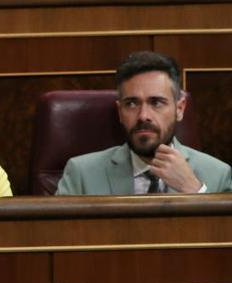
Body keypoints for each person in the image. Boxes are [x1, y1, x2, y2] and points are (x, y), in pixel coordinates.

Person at [56, 51, 232, 195]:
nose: (143, 116)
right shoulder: (81, 174)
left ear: (179, 109)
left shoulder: (218, 174)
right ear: (120, 112)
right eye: (132, 104)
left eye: (156, 103)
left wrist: (195, 191)